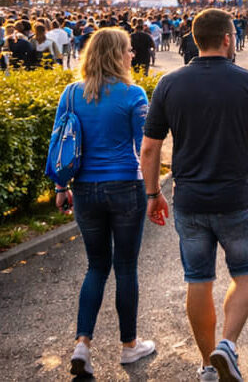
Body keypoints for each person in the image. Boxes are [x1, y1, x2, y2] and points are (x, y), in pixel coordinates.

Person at [141, 9, 248, 382]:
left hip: (190, 198)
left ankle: (208, 364)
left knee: (198, 280)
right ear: (226, 39)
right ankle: (228, 345)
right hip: (236, 197)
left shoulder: (170, 84)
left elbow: (150, 149)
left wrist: (153, 193)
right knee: (246, 274)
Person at [54, 28, 156, 377]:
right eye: (128, 50)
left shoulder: (71, 93)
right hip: (126, 186)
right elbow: (145, 148)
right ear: (117, 54)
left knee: (96, 266)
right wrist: (155, 192)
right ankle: (129, 346)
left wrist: (59, 187)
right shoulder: (133, 94)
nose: (132, 55)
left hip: (84, 189)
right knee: (125, 267)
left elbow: (60, 143)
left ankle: (83, 343)